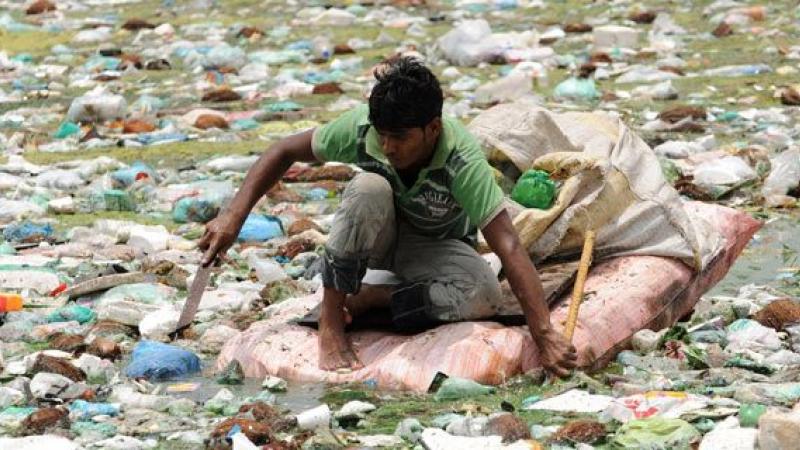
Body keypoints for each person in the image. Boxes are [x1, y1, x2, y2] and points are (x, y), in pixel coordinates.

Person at [199, 57, 577, 377]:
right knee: (368, 187)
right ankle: (332, 319)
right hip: (377, 237)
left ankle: (373, 298)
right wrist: (233, 217)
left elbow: (507, 244)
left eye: (400, 137)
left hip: (434, 245)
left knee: (484, 294)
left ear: (433, 128)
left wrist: (544, 334)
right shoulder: (363, 129)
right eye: (383, 135)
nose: (388, 147)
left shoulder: (461, 159)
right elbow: (283, 151)